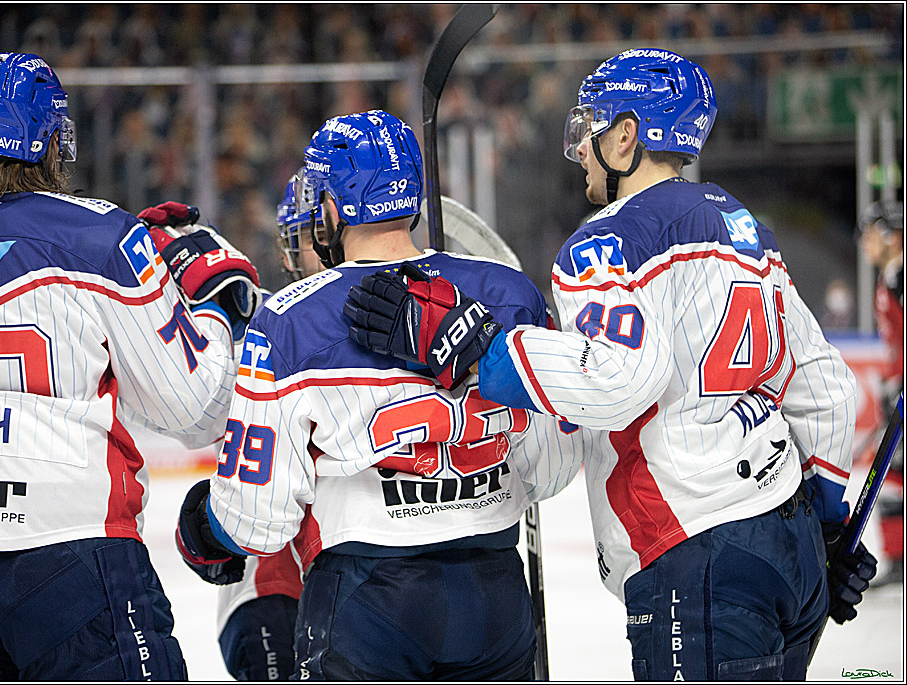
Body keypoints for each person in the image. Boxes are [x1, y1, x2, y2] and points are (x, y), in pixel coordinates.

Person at [344, 50, 878, 681]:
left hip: (696, 553)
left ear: (627, 135)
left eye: (591, 127)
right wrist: (828, 525)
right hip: (789, 539)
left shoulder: (607, 241)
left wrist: (472, 345)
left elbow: (616, 377)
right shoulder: (745, 230)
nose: (581, 150)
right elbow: (825, 388)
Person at [0, 51, 259, 680]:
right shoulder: (99, 236)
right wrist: (212, 308)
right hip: (70, 555)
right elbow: (197, 410)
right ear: (50, 139)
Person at [172, 109, 582, 680]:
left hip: (367, 604)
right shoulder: (508, 292)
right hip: (495, 596)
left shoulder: (291, 320)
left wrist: (205, 528)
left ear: (333, 205)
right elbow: (555, 463)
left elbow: (257, 519)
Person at [212, 174, 323, 681]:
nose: (324, 246)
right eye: (307, 237)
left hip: (363, 594)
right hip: (272, 594)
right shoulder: (266, 329)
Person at [859, 200, 904, 589]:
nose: (865, 242)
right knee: (894, 472)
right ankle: (898, 558)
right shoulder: (890, 276)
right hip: (898, 391)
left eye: (871, 233)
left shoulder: (900, 277)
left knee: (895, 471)